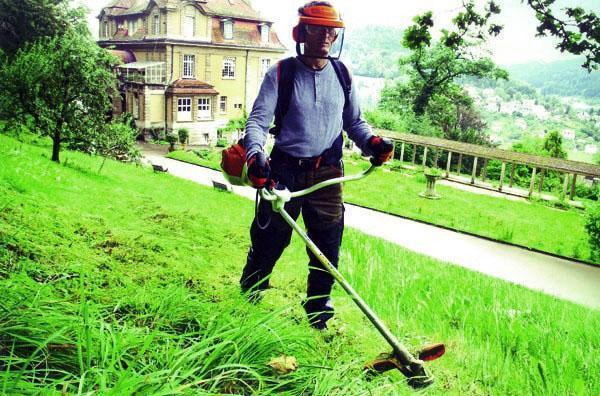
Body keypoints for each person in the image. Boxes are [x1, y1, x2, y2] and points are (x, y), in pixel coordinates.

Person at [240, 1, 393, 330]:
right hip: (282, 172)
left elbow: (354, 123)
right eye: (317, 28)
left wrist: (373, 144)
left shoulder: (342, 74)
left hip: (327, 173)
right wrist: (255, 156)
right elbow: (257, 123)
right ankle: (249, 296)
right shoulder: (281, 73)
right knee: (270, 240)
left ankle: (318, 314)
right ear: (301, 31)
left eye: (331, 30)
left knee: (326, 246)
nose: (325, 35)